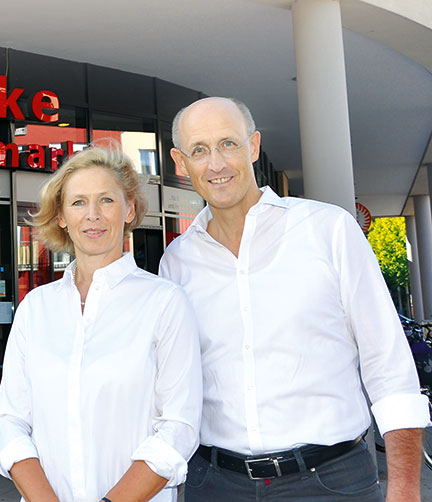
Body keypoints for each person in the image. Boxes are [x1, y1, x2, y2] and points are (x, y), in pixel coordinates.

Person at [159, 96, 429, 501]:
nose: (215, 164)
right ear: (181, 163)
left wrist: (405, 490)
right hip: (213, 484)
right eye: (200, 150)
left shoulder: (329, 231)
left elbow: (389, 369)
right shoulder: (176, 262)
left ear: (253, 147)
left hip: (330, 483)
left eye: (228, 144)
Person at [0, 146, 202, 502]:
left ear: (129, 209)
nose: (92, 215)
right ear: (60, 215)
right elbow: (11, 421)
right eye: (78, 203)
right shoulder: (36, 309)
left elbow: (178, 428)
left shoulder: (164, 302)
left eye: (106, 200)